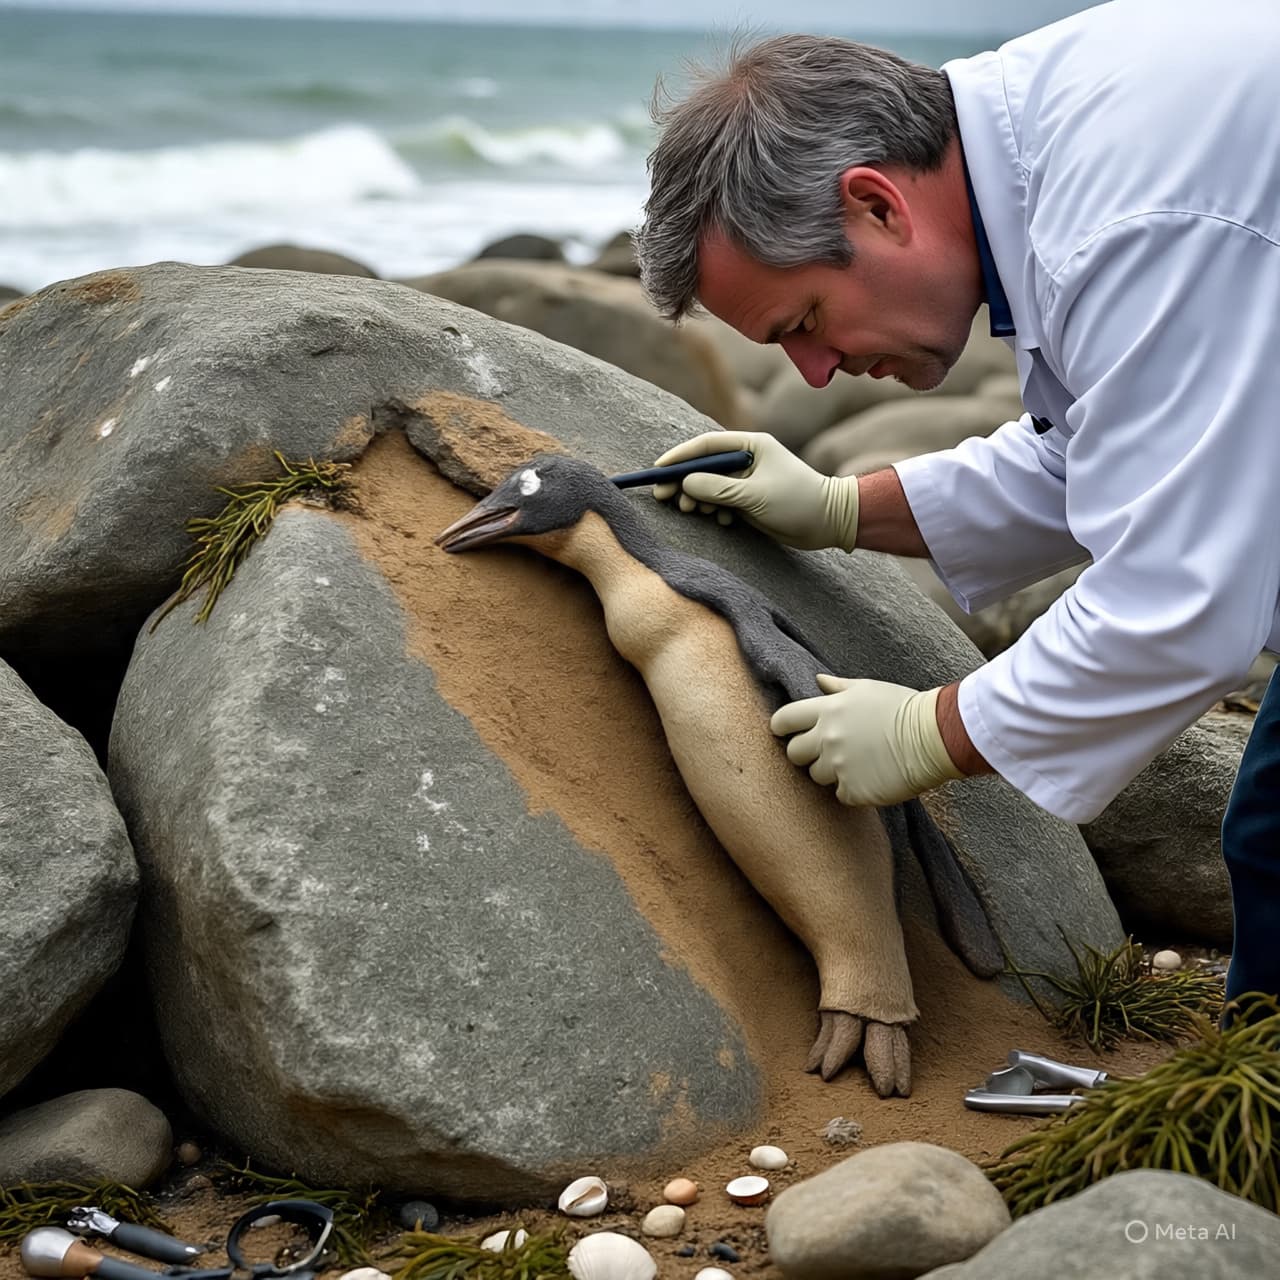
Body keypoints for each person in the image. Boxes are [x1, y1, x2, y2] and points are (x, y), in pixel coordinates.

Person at [634, 0, 1280, 1006]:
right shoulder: (1044, 145)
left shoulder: (1126, 216)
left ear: (876, 206)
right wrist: (840, 507)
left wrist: (932, 728)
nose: (813, 374)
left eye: (803, 320)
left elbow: (1183, 596)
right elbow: (1117, 452)